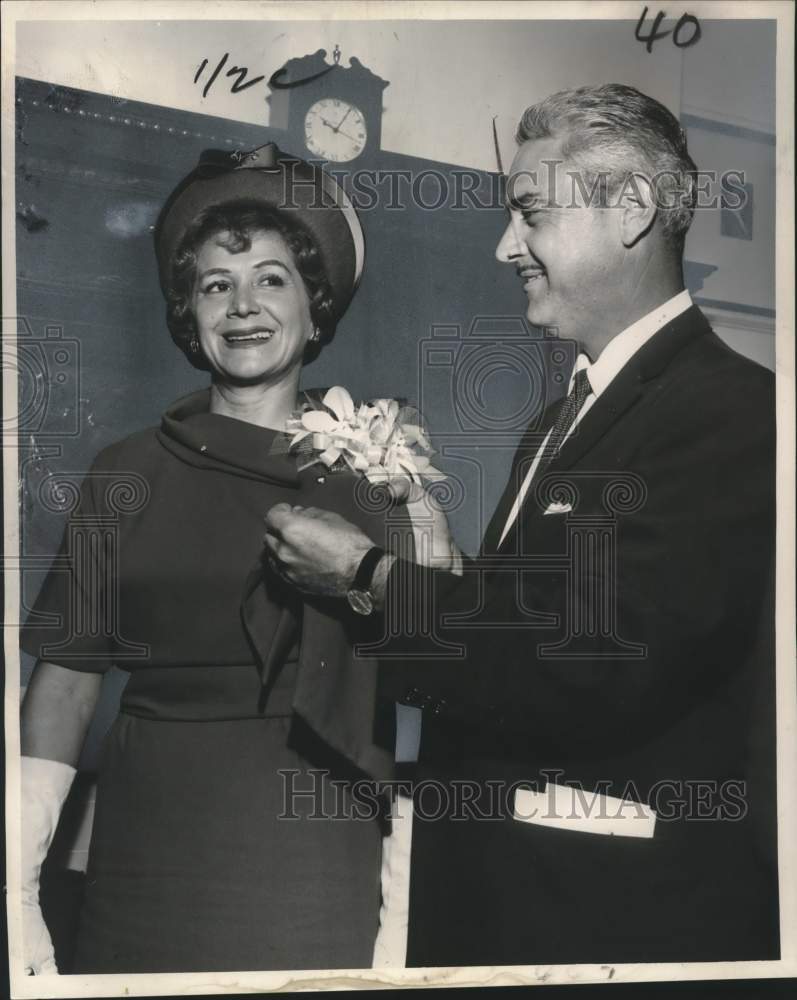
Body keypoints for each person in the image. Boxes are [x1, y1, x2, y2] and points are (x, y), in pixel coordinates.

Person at [264, 85, 779, 966]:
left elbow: (591, 661)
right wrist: (434, 555)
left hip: (609, 916)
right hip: (505, 900)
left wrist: (367, 580)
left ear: (632, 210)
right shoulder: (559, 420)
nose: (506, 246)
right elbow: (529, 626)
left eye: (529, 213)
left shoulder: (734, 411)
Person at [19, 142, 426, 973]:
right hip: (148, 838)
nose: (242, 307)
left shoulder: (381, 485)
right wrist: (17, 884)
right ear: (189, 318)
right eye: (216, 285)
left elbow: (426, 689)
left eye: (270, 279)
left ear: (316, 309)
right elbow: (64, 683)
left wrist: (406, 889)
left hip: (315, 840)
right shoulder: (124, 473)